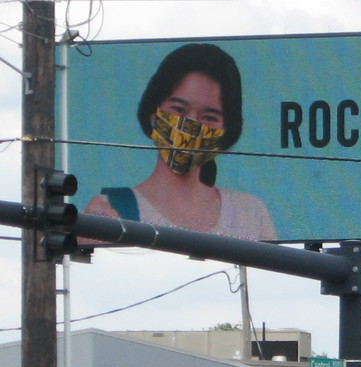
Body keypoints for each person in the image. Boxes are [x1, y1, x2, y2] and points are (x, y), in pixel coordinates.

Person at [84, 43, 277, 241]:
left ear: (226, 131)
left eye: (209, 117)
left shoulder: (251, 213)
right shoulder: (108, 210)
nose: (191, 126)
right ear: (153, 112)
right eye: (179, 109)